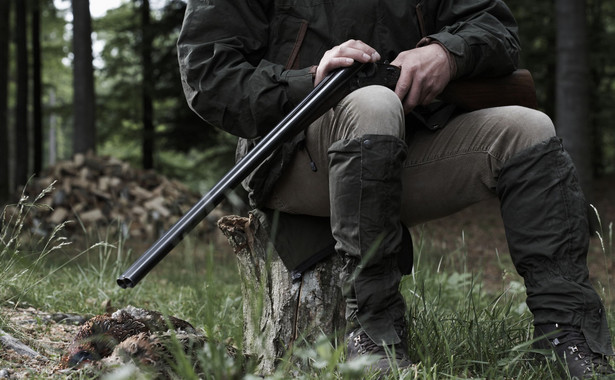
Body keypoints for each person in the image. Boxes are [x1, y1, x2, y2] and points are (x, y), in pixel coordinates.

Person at [177, 0, 615, 377]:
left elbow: (497, 28)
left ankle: (568, 336)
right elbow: (207, 75)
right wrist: (310, 78)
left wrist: (447, 54)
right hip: (293, 152)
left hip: (407, 144)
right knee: (374, 103)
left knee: (528, 128)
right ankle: (374, 331)